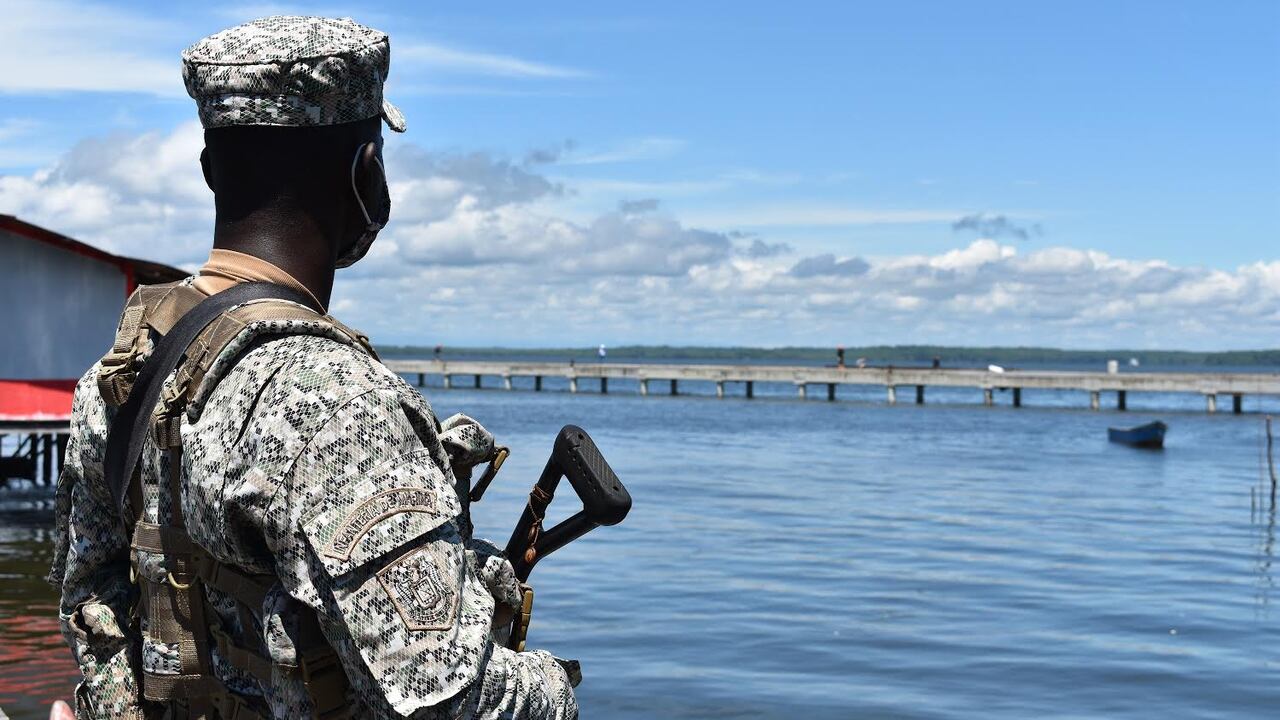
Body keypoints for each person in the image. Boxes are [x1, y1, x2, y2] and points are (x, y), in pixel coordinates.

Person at [48, 16, 577, 720]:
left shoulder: (120, 375)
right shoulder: (339, 407)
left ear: (211, 171)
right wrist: (552, 683)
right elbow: (459, 703)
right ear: (368, 178)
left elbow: (92, 600)